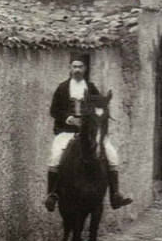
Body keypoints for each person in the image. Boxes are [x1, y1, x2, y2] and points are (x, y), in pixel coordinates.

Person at [45, 55, 132, 211]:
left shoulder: (91, 88)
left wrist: (96, 124)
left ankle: (115, 195)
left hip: (90, 133)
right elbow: (54, 110)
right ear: (70, 68)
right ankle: (51, 195)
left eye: (80, 67)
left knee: (112, 155)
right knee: (55, 156)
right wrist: (69, 119)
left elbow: (101, 107)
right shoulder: (62, 88)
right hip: (67, 131)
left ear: (85, 69)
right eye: (74, 67)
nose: (77, 70)